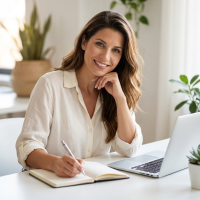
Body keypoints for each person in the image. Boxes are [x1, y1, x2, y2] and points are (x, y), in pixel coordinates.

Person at [16, 11, 143, 178]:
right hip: (50, 186)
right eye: (100, 44)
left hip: (94, 187)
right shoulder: (50, 84)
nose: (105, 56)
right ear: (84, 42)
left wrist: (120, 98)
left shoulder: (116, 91)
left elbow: (129, 149)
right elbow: (27, 146)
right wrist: (55, 163)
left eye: (116, 50)